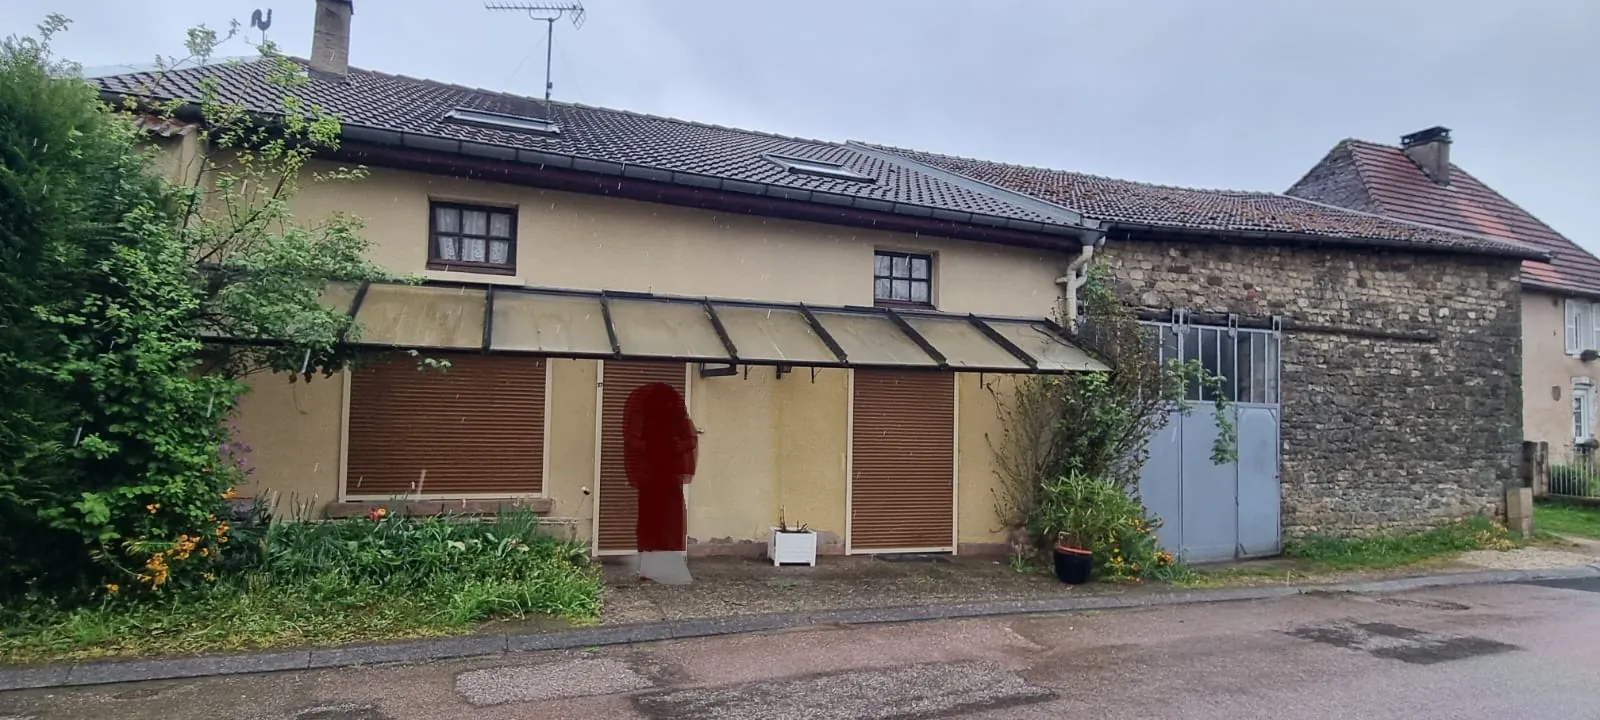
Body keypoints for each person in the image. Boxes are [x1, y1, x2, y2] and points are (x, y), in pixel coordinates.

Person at [622, 381, 697, 584]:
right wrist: (654, 447)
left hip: (667, 478)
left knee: (667, 523)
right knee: (652, 523)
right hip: (652, 478)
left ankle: (663, 569)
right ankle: (650, 569)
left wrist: (669, 447)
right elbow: (632, 441)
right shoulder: (644, 417)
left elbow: (690, 441)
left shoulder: (676, 420)